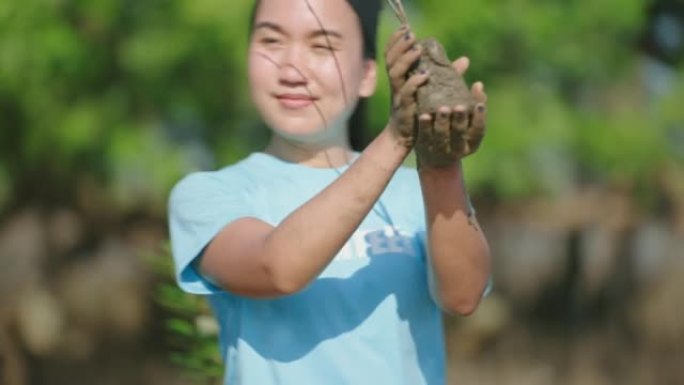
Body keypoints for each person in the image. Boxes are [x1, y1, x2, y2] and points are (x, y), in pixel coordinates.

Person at [168, 0, 491, 383]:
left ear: (368, 75)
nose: (291, 69)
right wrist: (396, 139)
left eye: (322, 47)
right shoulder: (208, 195)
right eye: (271, 42)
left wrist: (441, 167)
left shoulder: (414, 190)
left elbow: (463, 296)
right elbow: (277, 269)